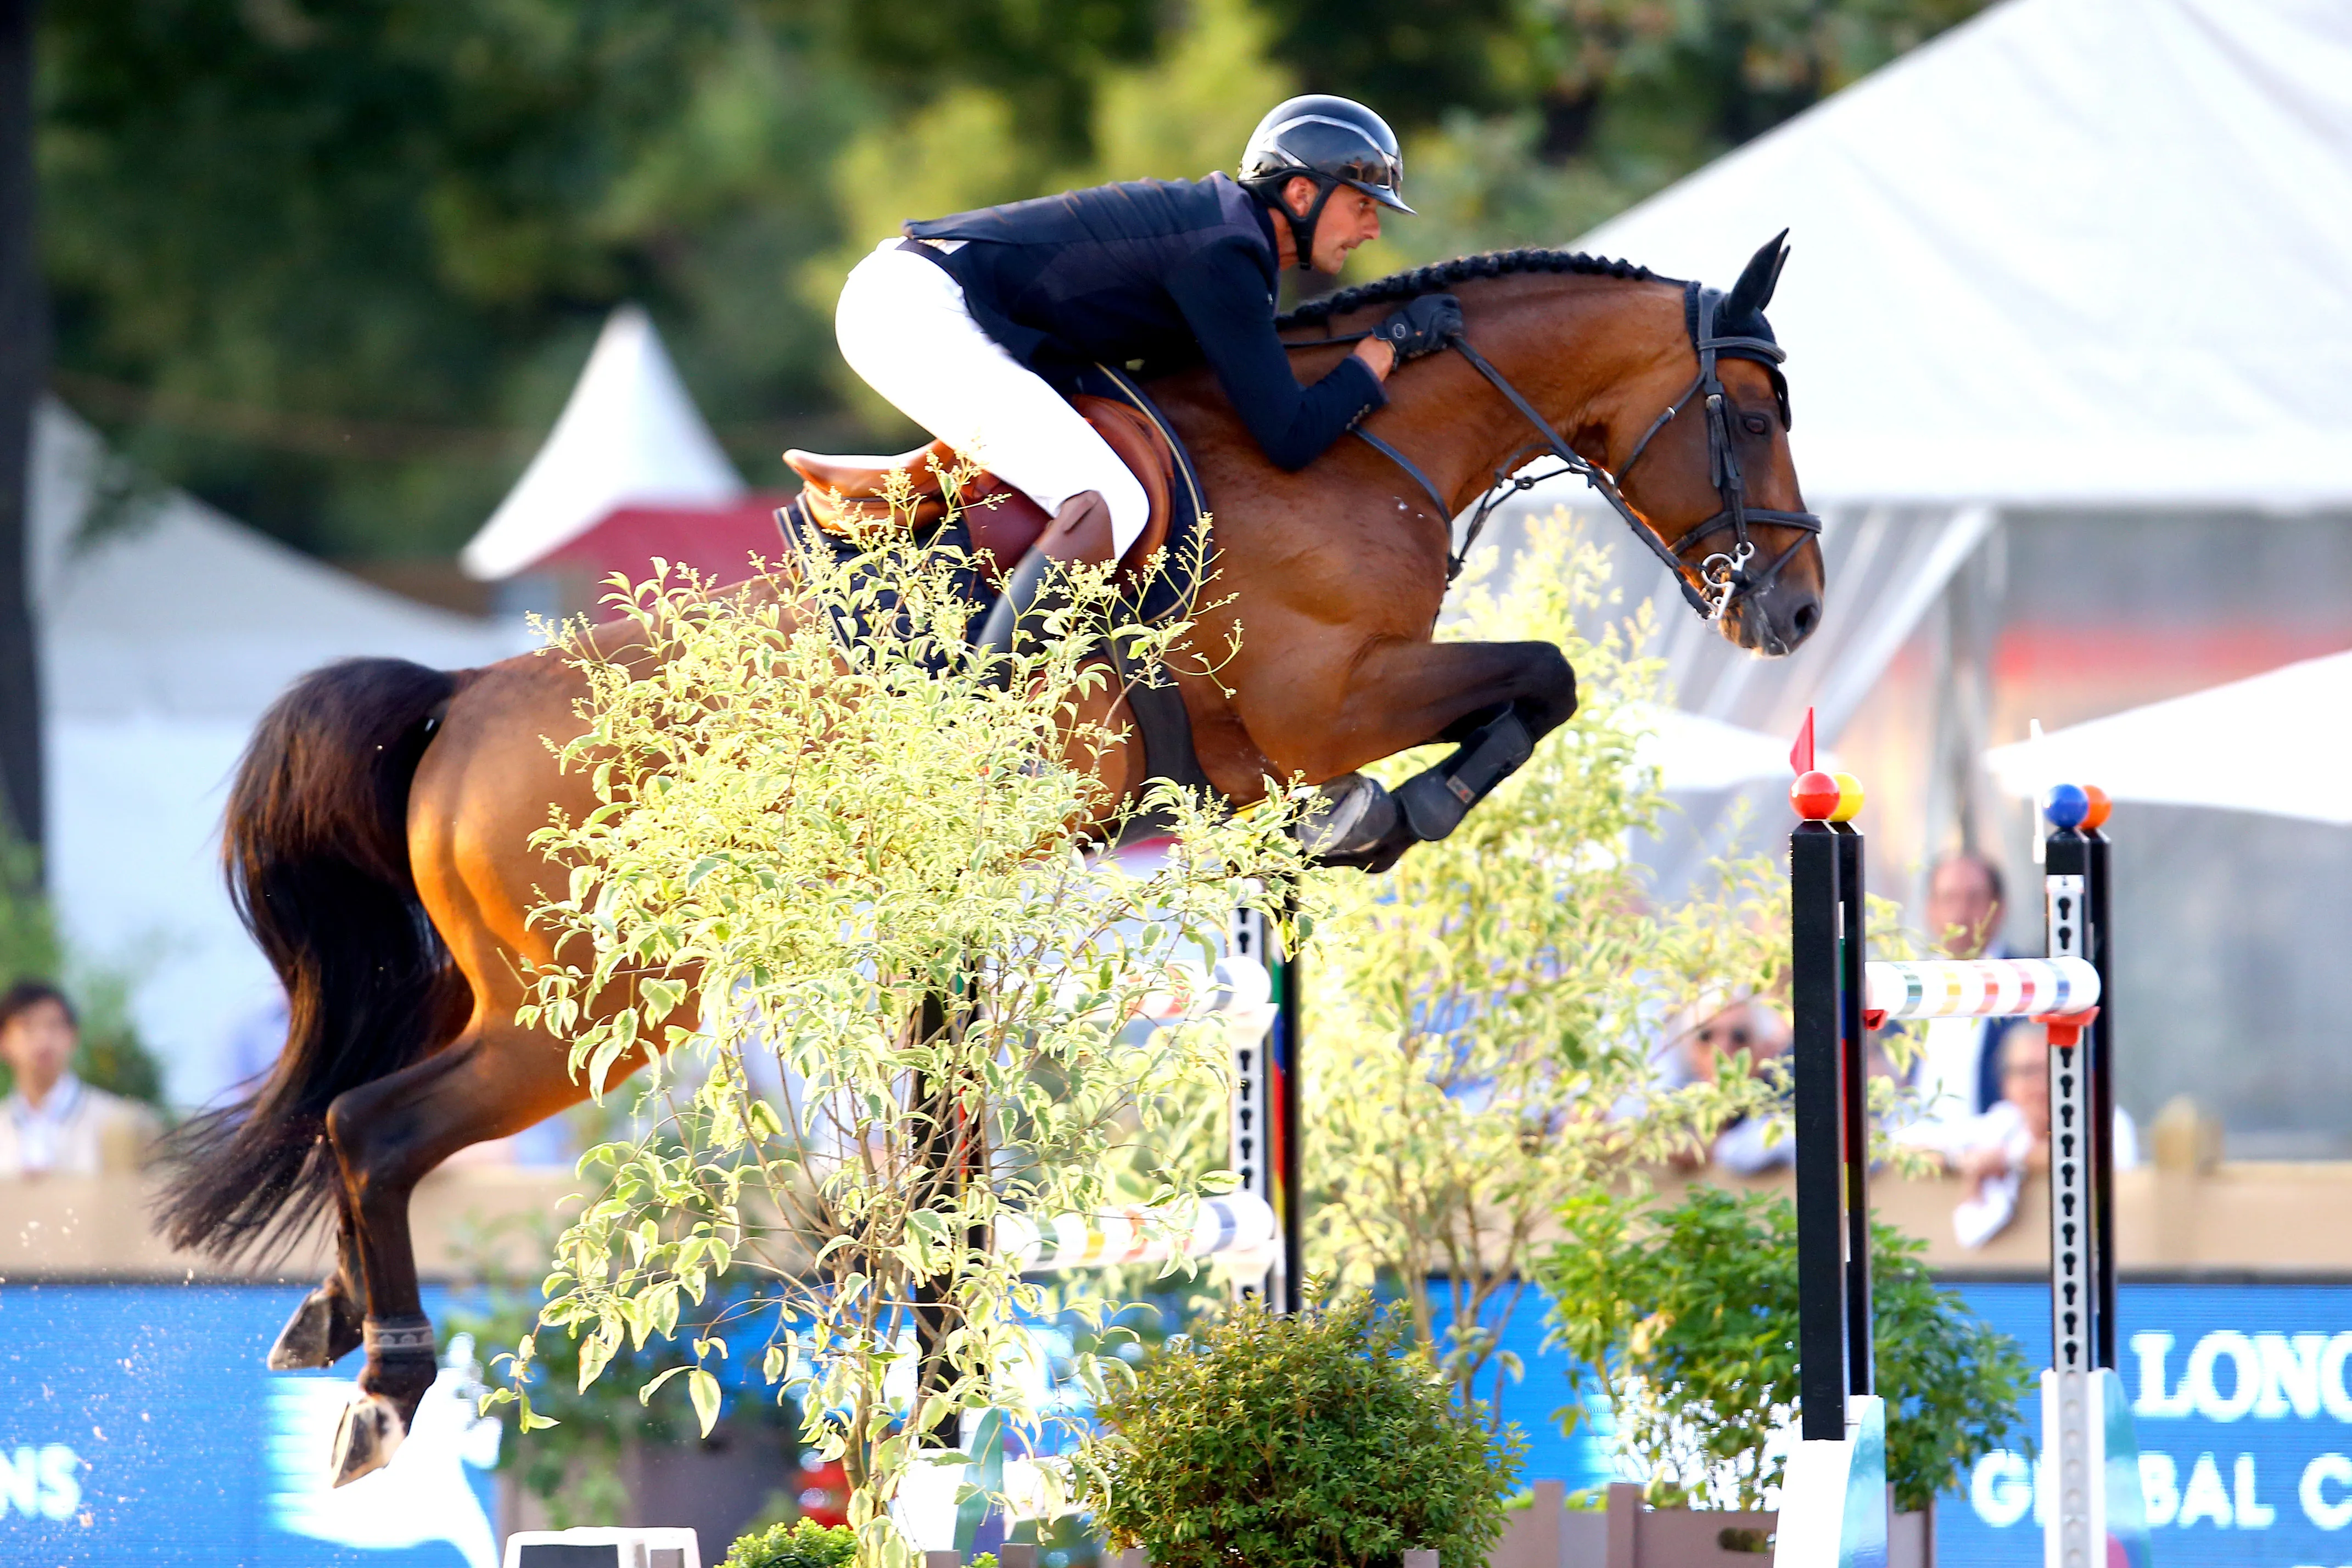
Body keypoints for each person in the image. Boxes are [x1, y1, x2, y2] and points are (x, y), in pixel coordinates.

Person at [833, 94, 1461, 673]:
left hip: (930, 299)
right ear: (1301, 194)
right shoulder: (1226, 252)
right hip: (913, 310)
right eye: (1363, 205)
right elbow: (1289, 437)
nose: (1374, 229)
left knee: (1115, 488)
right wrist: (1385, 349)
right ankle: (985, 711)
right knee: (1111, 500)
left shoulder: (1231, 238)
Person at [1903, 1024, 2140, 1248]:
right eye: (2027, 1072)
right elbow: (1909, 1147)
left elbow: (2095, 1156)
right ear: (2006, 1082)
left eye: (2051, 1069)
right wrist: (1961, 1160)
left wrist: (2010, 1159)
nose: (2040, 1083)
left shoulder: (2105, 1119)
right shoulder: (2005, 1122)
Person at [0, 981, 161, 1178]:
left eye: (53, 1026)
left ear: (73, 1036)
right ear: (4, 1040)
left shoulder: (113, 1122)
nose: (43, 1040)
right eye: (28, 1027)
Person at [1909, 850, 2015, 1123]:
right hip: (1912, 1155)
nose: (1960, 913)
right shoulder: (1908, 986)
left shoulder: (2026, 984)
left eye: (1974, 898)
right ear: (1929, 909)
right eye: (1948, 899)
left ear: (1999, 907)